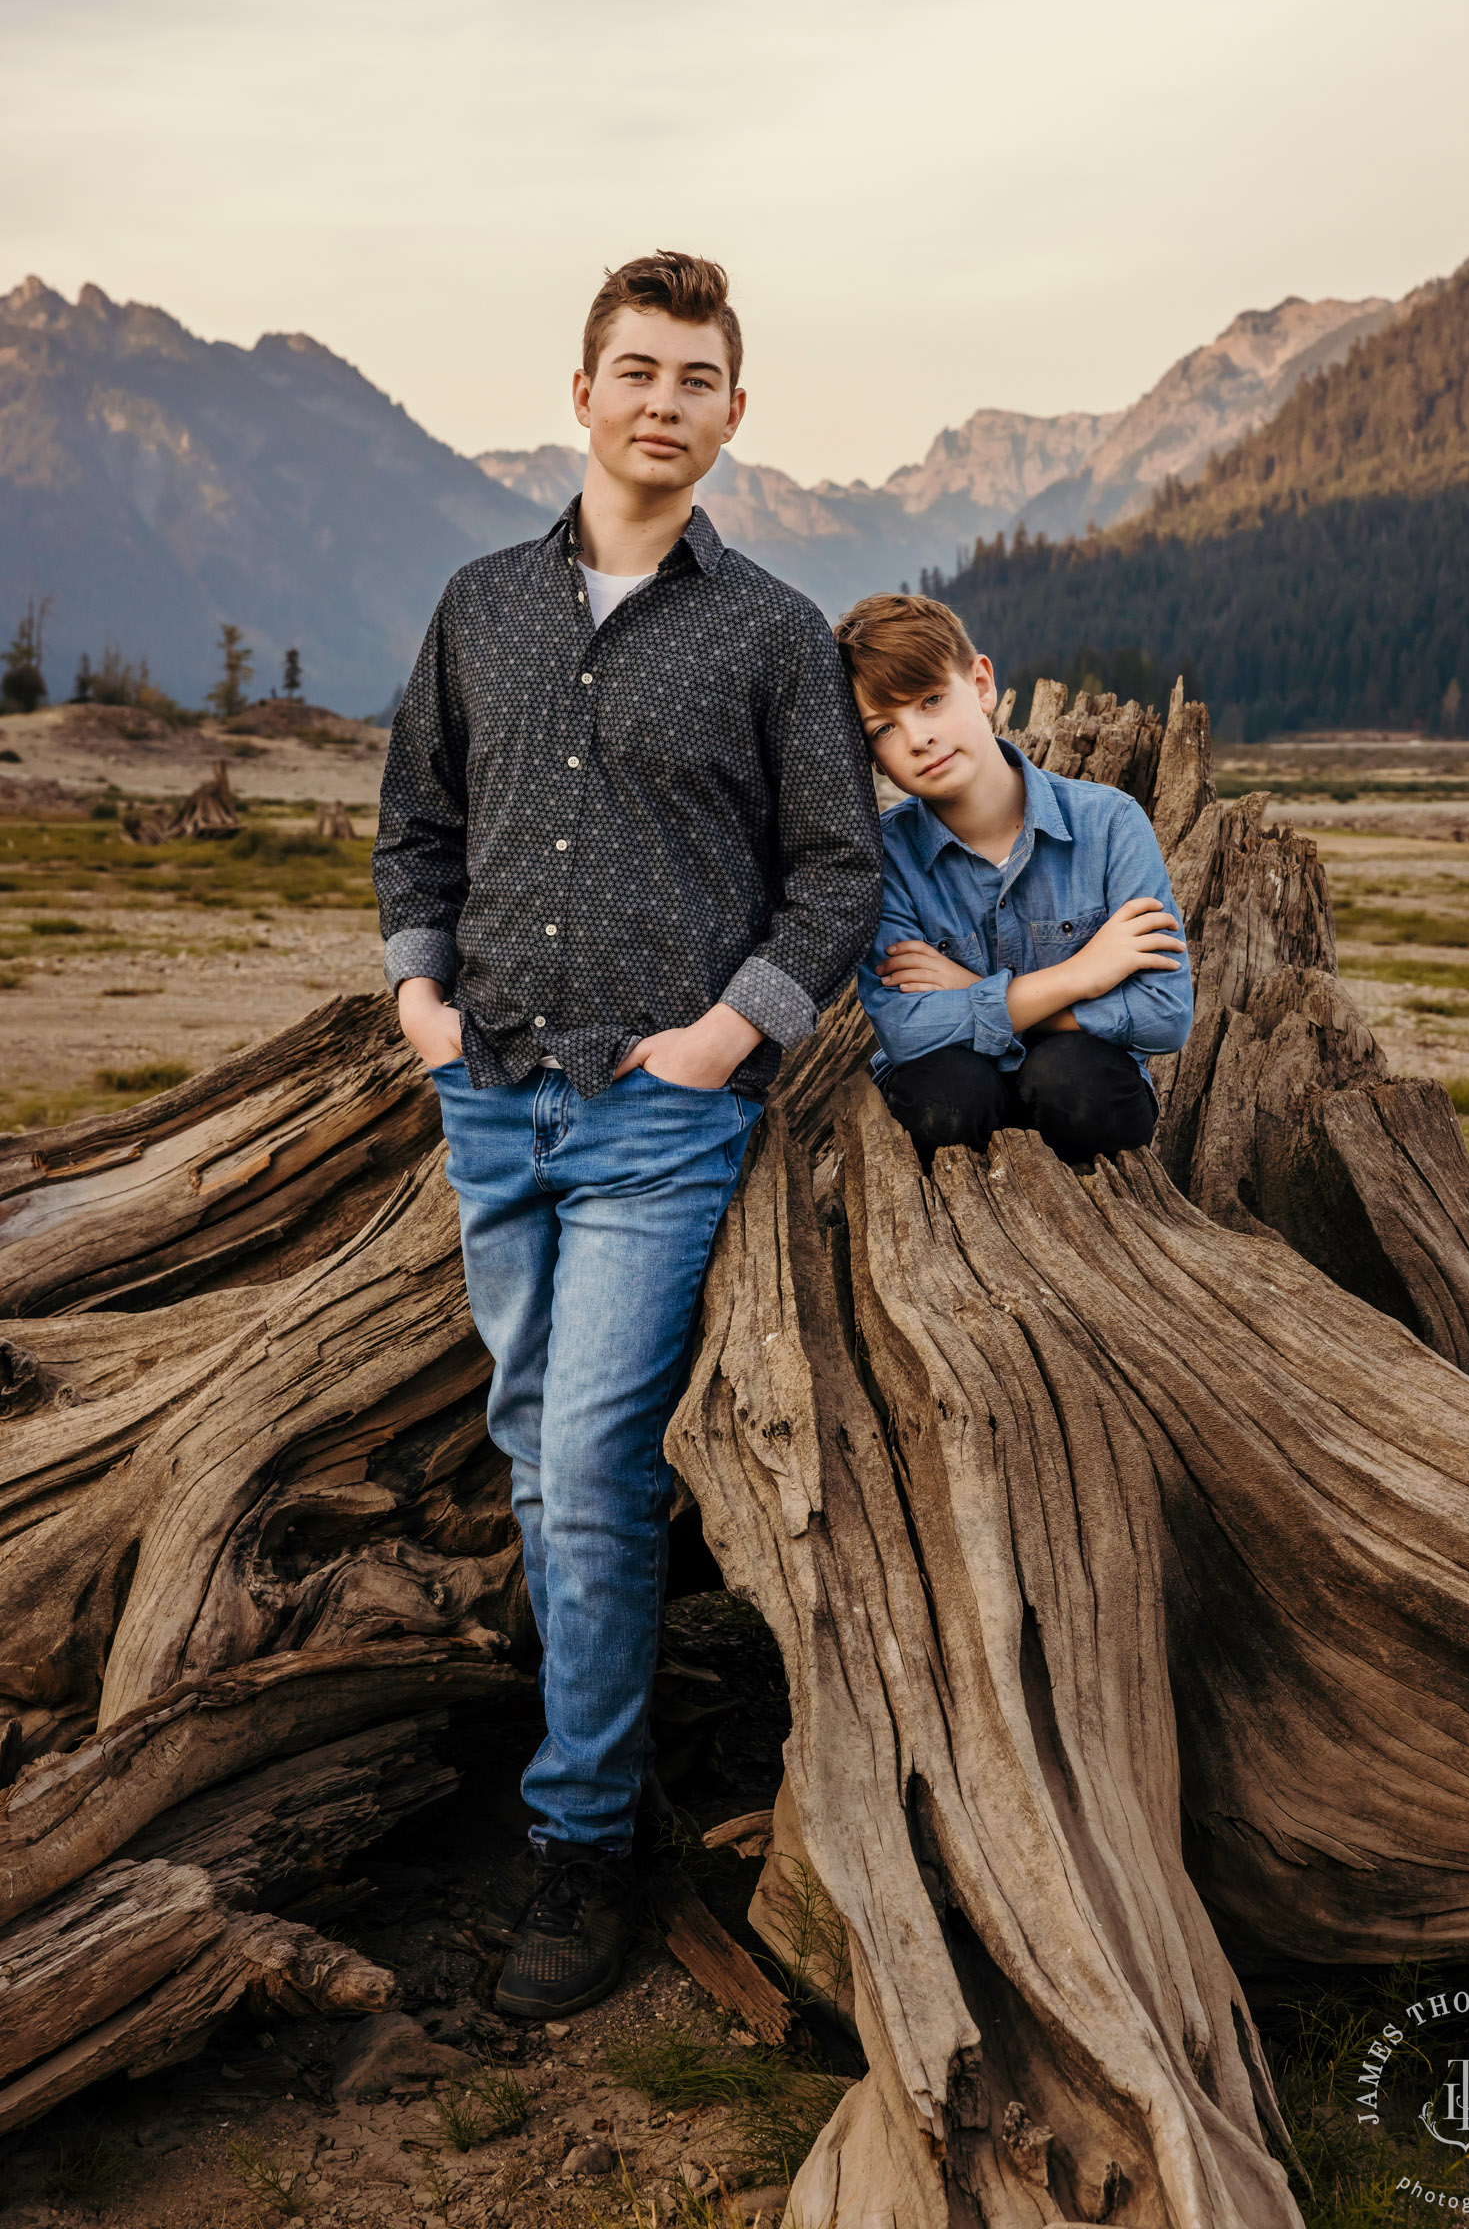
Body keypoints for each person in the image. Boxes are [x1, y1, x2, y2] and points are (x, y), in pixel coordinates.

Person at [373, 252, 882, 2020]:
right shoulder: (477, 607)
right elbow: (414, 830)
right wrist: (419, 1003)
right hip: (488, 1100)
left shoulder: (769, 634)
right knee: (536, 1454)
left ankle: (579, 1842)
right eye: (635, 370)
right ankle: (625, 1753)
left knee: (585, 1470)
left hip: (658, 1124)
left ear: (734, 416)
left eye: (696, 378)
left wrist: (726, 1039)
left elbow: (837, 871)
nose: (662, 402)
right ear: (580, 392)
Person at [835, 592, 1191, 1170]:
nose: (917, 738)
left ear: (980, 684)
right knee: (944, 1097)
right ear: (871, 756)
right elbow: (904, 1031)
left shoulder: (1111, 824)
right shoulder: (882, 858)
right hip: (955, 1102)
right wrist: (1081, 975)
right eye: (883, 729)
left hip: (1081, 1097)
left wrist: (966, 987)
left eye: (931, 700)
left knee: (1074, 1080)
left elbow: (1165, 1014)